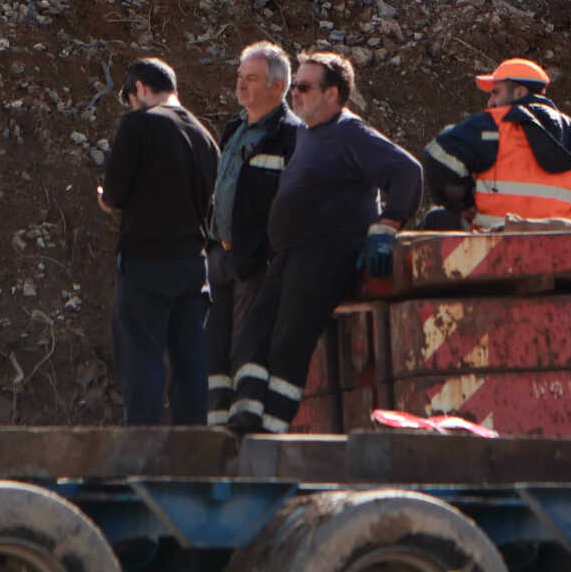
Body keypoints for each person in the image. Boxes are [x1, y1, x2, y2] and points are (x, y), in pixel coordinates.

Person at [227, 51, 422, 434]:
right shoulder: (309, 134)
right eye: (294, 86)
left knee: (289, 340)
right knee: (252, 335)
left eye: (303, 87)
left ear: (332, 94)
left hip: (324, 256)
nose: (294, 94)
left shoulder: (350, 133)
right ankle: (245, 420)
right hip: (290, 255)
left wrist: (386, 227)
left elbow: (407, 170)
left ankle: (271, 430)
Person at [98, 58, 220, 427]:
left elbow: (115, 195)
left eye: (130, 97)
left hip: (146, 264)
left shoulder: (140, 124)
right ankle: (192, 456)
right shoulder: (205, 137)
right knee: (191, 367)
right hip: (194, 266)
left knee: (143, 363)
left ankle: (143, 456)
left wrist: (104, 196)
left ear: (139, 89)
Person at [206, 41, 300, 424]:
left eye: (252, 79)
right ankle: (217, 419)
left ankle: (247, 418)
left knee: (248, 341)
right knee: (215, 343)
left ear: (278, 86)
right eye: (240, 77)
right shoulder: (234, 129)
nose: (241, 86)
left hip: (257, 257)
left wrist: (269, 252)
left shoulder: (290, 136)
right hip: (220, 254)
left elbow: (288, 204)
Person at [422, 57, 571, 228]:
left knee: (437, 219)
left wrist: (464, 204)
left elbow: (437, 156)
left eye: (496, 92)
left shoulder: (492, 125)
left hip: (496, 242)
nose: (490, 102)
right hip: (568, 243)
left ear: (519, 93)